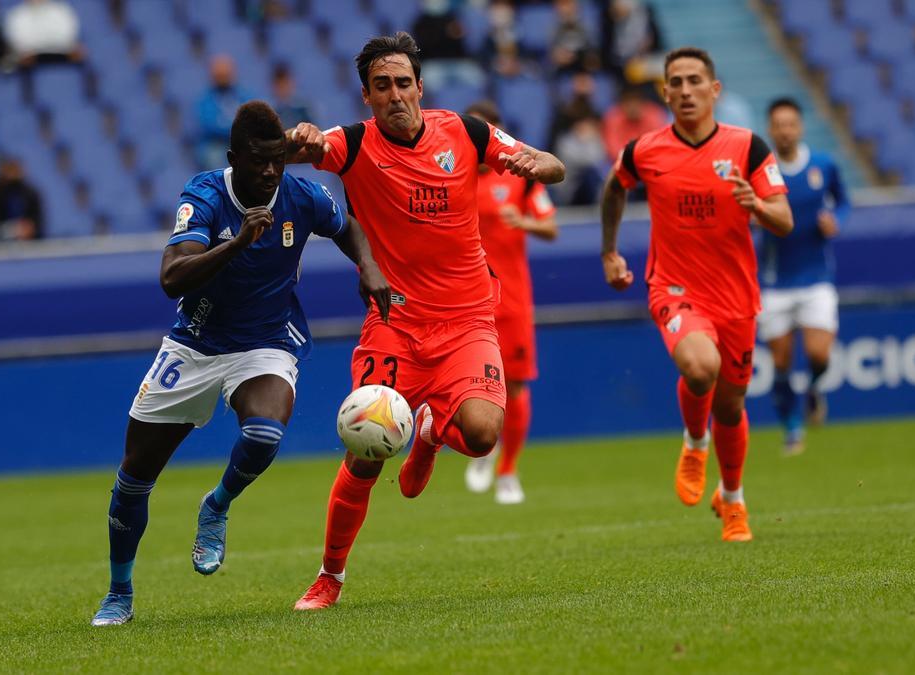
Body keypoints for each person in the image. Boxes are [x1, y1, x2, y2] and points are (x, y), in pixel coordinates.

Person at [285, 32, 565, 609]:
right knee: (365, 453)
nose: (395, 95)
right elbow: (295, 153)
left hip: (468, 319)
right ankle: (330, 577)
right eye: (382, 86)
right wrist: (300, 139)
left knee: (483, 434)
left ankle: (432, 432)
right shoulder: (353, 144)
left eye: (404, 83)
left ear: (420, 86)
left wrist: (540, 162)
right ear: (366, 95)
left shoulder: (464, 132)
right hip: (396, 324)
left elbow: (553, 167)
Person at [89, 101, 391, 627]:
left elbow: (349, 226)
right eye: (257, 162)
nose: (270, 171)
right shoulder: (204, 194)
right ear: (234, 158)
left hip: (266, 342)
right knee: (135, 479)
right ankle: (119, 591)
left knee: (264, 435)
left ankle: (218, 504)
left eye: (276, 159)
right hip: (195, 345)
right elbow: (172, 278)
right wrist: (236, 243)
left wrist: (367, 267)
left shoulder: (302, 195)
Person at [599, 47, 792, 542]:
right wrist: (609, 252)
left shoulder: (747, 147)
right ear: (665, 93)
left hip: (736, 297)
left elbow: (785, 220)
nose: (685, 90)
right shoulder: (646, 149)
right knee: (700, 367)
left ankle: (732, 500)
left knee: (731, 405)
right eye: (676, 83)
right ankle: (694, 441)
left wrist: (758, 207)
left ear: (714, 90)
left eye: (694, 81)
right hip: (675, 288)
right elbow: (614, 187)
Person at [457, 101, 558, 504]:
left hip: (512, 298)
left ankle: (508, 470)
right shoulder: (449, 175)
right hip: (465, 299)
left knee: (514, 385)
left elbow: (550, 226)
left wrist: (526, 222)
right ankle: (485, 447)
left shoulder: (521, 178)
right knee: (465, 387)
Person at [759, 98, 849, 455]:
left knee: (818, 353)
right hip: (775, 281)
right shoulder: (760, 169)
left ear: (800, 127)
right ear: (770, 129)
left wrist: (836, 220)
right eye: (778, 124)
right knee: (780, 362)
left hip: (816, 278)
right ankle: (792, 429)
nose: (784, 131)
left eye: (790, 124)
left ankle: (813, 387)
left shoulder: (823, 166)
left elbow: (843, 201)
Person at [195, 55, 258, 170]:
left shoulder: (244, 95)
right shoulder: (205, 99)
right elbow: (208, 125)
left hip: (241, 142)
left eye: (225, 73)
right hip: (216, 144)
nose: (223, 76)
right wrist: (235, 129)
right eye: (219, 73)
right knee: (213, 157)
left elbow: (252, 117)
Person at [0, 157, 43, 241]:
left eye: (15, 170)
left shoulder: (31, 194)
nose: (13, 174)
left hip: (29, 242)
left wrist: (28, 229)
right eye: (10, 170)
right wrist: (14, 230)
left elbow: (38, 222)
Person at [4, 0, 83, 66]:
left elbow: (67, 36)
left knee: (77, 54)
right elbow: (20, 41)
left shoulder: (61, 10)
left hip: (61, 55)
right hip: (30, 59)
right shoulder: (16, 15)